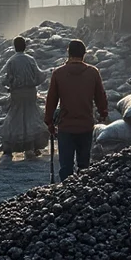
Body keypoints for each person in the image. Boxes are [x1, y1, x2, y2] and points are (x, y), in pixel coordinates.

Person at [45, 39, 108, 182]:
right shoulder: (93, 73)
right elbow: (100, 96)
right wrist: (103, 113)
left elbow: (51, 100)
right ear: (84, 54)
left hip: (66, 126)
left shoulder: (58, 73)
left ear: (68, 53)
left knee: (66, 166)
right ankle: (82, 189)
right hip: (86, 125)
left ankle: (66, 190)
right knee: (84, 165)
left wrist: (49, 121)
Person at [0, 36, 48, 163]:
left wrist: (9, 85)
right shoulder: (30, 59)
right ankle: (30, 147)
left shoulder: (11, 61)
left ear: (14, 47)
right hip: (30, 93)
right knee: (31, 117)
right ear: (25, 46)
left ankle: (9, 147)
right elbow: (39, 75)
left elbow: (5, 79)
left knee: (15, 117)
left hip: (17, 93)